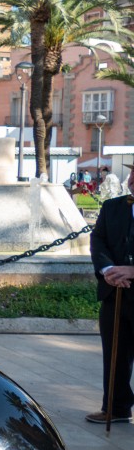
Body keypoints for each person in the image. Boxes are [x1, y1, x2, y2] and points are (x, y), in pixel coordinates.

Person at [88, 162, 134, 424]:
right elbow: (98, 240)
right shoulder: (112, 207)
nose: (133, 178)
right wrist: (108, 270)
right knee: (115, 354)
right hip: (114, 294)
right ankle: (115, 408)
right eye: (133, 172)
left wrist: (132, 271)